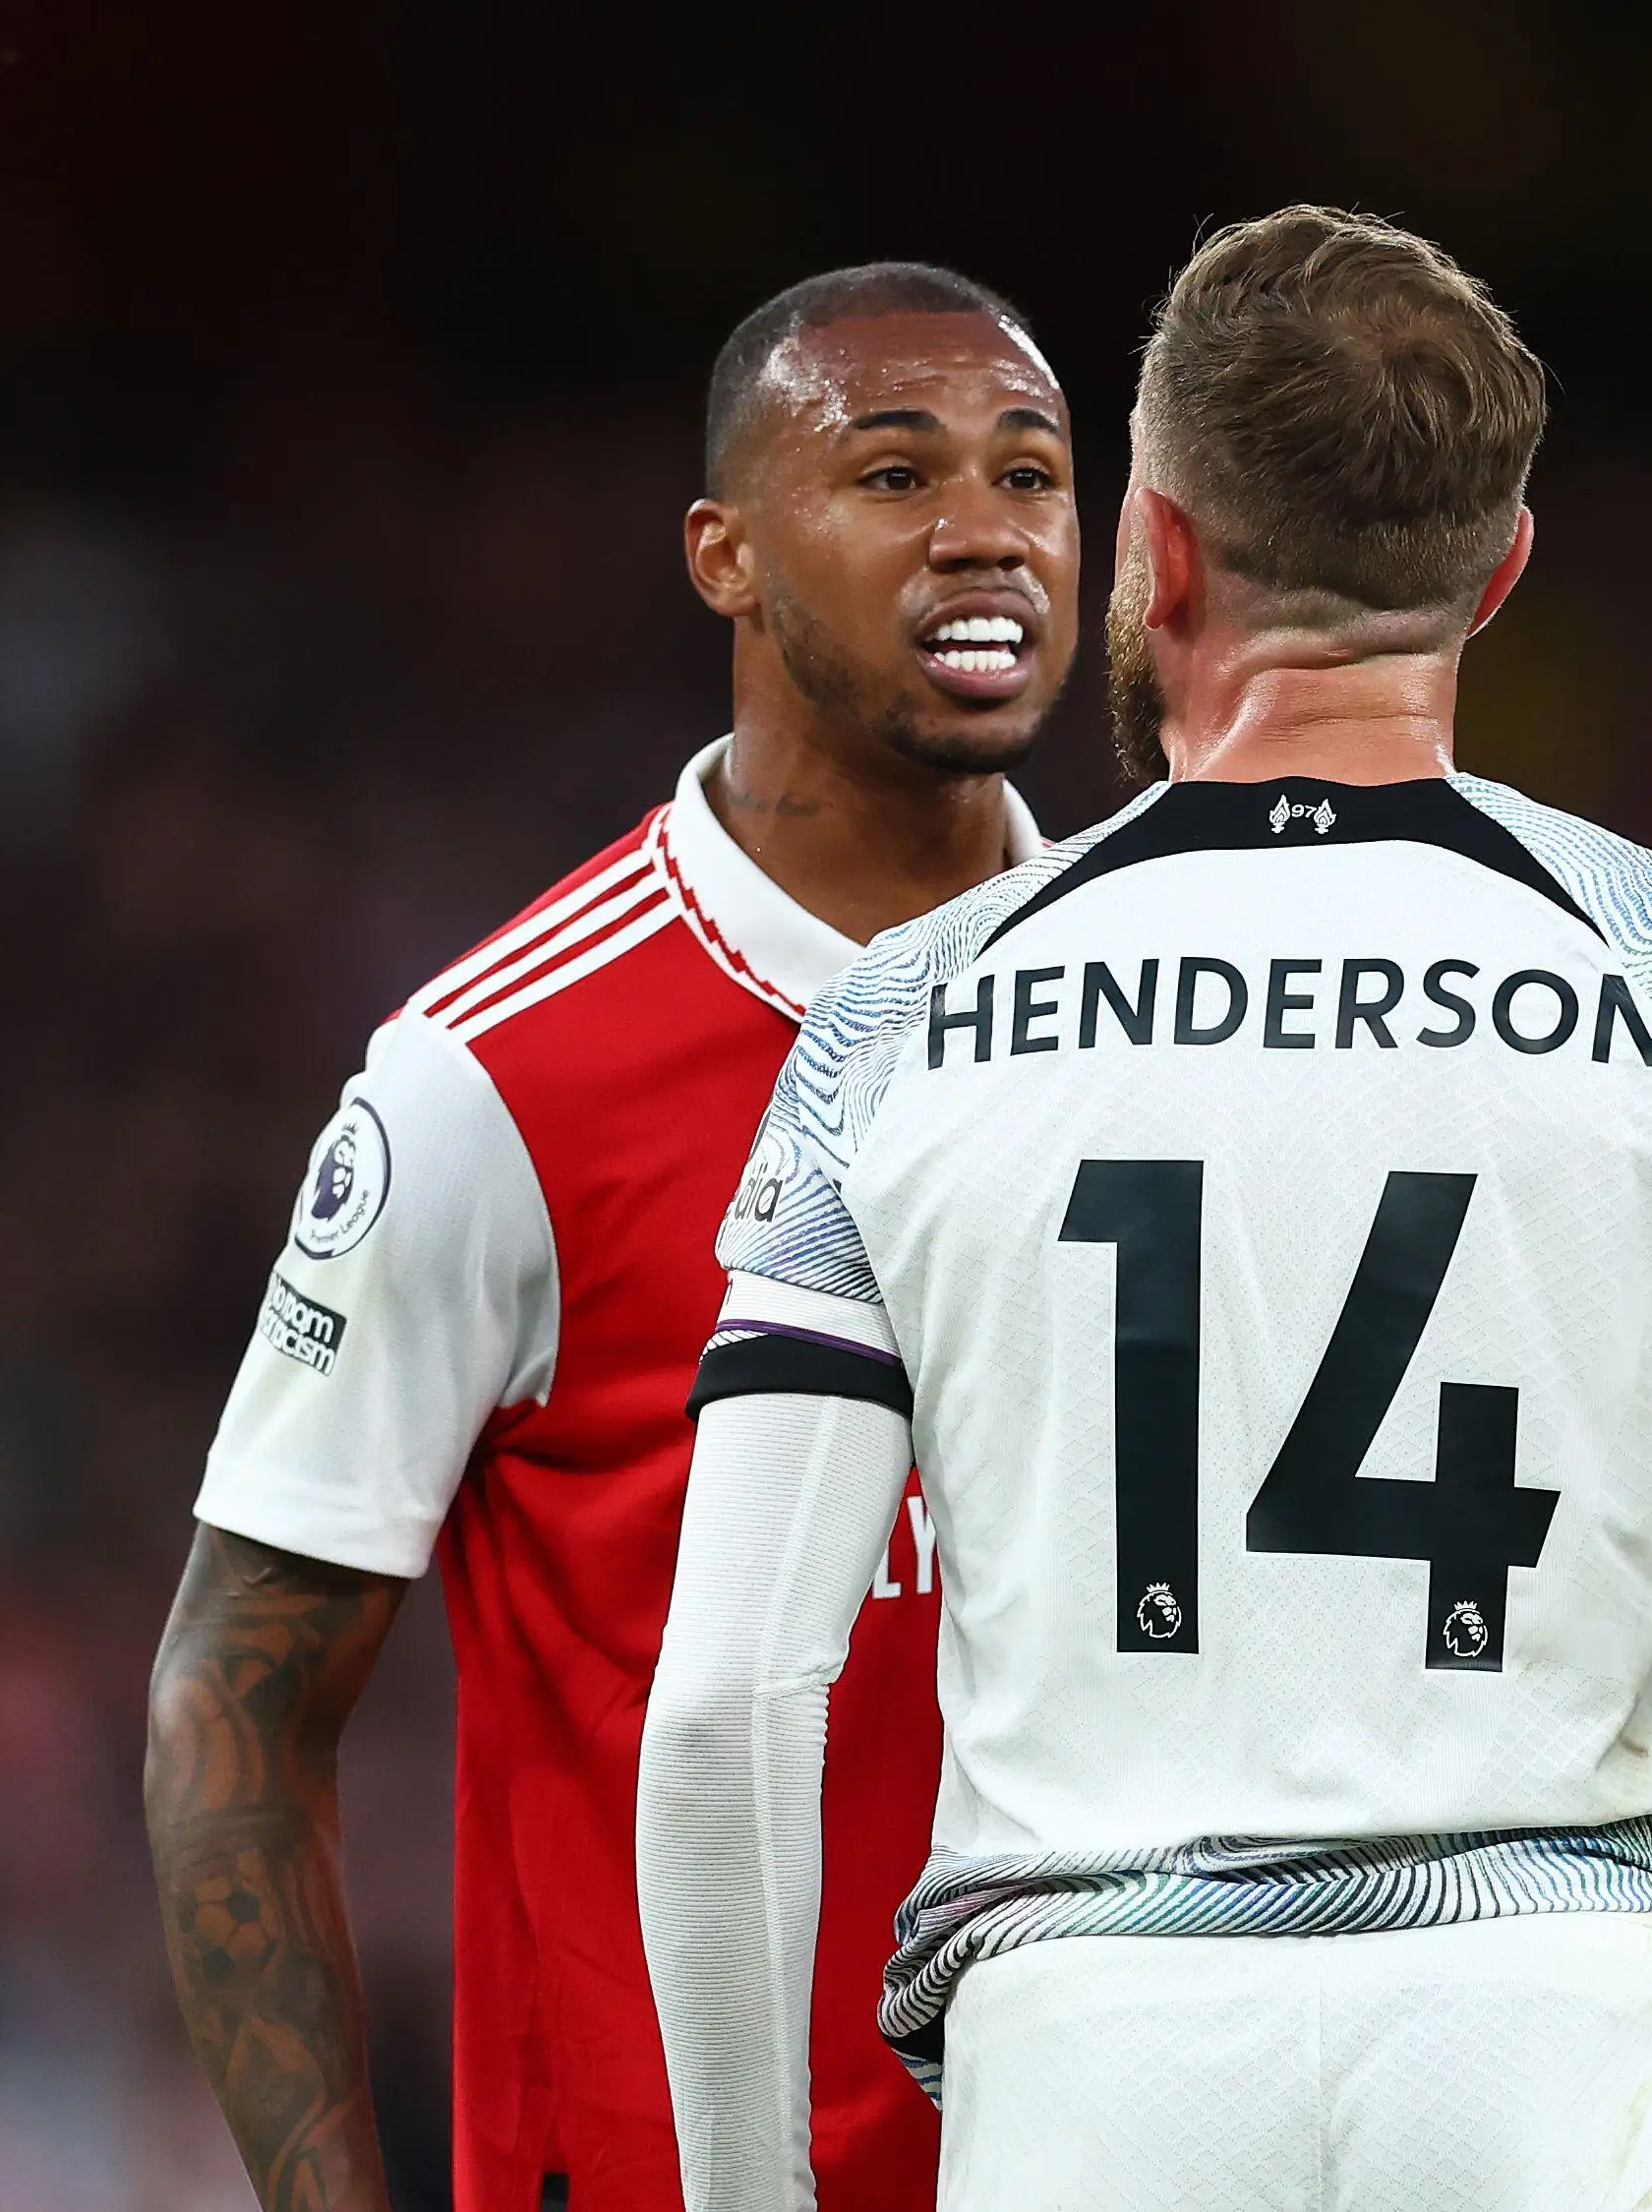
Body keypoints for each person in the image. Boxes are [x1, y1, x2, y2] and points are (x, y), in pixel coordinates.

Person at [631, 206, 1652, 2212]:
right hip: (1559, 2023)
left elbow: (722, 1706)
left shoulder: (901, 1020)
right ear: (1497, 571)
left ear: (1161, 552)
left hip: (1094, 2039)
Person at [143, 263, 1082, 2212]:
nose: (983, 526)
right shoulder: (494, 1077)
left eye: (1031, 471)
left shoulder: (1164, 1011)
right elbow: (232, 1697)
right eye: (895, 474)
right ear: (723, 554)